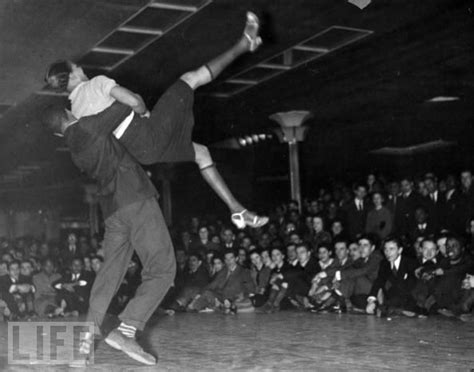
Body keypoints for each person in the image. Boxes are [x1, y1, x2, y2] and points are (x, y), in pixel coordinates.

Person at [45, 12, 267, 230]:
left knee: (201, 153)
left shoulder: (75, 110)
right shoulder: (96, 83)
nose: (81, 67)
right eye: (76, 67)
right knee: (189, 79)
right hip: (147, 133)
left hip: (143, 153)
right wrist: (143, 113)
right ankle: (244, 44)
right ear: (72, 76)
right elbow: (133, 101)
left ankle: (236, 209)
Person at [41, 91, 181, 365]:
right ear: (70, 115)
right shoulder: (88, 125)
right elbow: (126, 102)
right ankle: (126, 329)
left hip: (112, 212)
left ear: (58, 134)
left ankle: (83, 351)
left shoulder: (72, 149)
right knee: (163, 269)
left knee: (108, 276)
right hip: (135, 199)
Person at [366, 237, 418, 317]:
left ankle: (385, 308)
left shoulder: (410, 263)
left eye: (391, 249)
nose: (388, 252)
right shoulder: (384, 264)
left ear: (400, 250)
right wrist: (371, 300)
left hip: (407, 297)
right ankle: (386, 308)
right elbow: (379, 281)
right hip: (390, 298)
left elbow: (412, 285)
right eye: (385, 249)